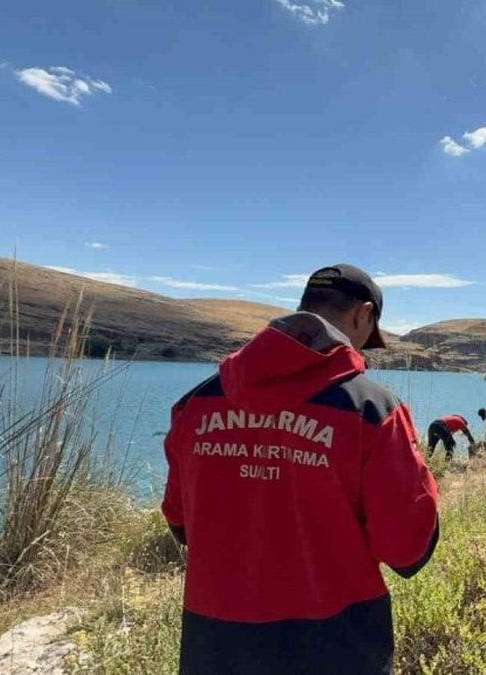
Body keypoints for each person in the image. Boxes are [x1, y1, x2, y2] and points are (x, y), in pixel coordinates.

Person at [161, 263, 439, 675]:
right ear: (362, 315)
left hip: (215, 643)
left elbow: (180, 521)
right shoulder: (373, 410)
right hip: (336, 641)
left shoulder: (195, 403)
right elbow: (406, 549)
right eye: (368, 335)